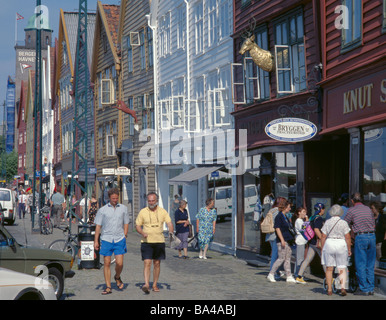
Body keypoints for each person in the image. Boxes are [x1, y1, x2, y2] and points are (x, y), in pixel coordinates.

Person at [94, 188, 130, 295]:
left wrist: (125, 234)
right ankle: (108, 286)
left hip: (119, 238)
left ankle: (117, 277)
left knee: (119, 263)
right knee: (107, 263)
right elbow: (98, 226)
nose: (115, 200)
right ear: (109, 198)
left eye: (116, 198)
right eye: (113, 198)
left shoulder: (123, 208)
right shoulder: (102, 210)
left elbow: (126, 222)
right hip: (106, 239)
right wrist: (96, 240)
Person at [136, 192, 174, 294]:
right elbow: (138, 225)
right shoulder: (143, 212)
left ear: (156, 201)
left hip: (159, 241)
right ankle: (146, 284)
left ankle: (155, 284)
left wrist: (171, 231)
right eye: (149, 201)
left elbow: (169, 223)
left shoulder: (163, 211)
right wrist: (142, 232)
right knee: (147, 262)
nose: (151, 202)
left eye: (153, 200)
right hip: (146, 242)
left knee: (157, 263)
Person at [344, 193, 376, 296]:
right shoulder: (368, 209)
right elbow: (373, 222)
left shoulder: (351, 210)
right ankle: (371, 288)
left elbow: (345, 224)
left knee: (361, 263)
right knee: (370, 264)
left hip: (361, 237)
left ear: (352, 201)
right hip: (372, 236)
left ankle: (364, 289)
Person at [320, 204, 351, 296]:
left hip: (329, 243)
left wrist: (322, 248)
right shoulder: (344, 223)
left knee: (329, 268)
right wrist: (349, 248)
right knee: (342, 267)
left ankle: (329, 289)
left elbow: (323, 236)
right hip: (341, 244)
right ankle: (342, 287)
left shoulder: (327, 222)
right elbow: (348, 237)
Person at [267, 198, 296, 283]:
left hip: (288, 240)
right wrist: (282, 240)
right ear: (284, 207)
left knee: (287, 259)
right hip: (282, 240)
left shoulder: (285, 216)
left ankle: (289, 275)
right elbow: (277, 228)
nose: (290, 209)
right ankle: (271, 273)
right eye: (289, 207)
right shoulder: (279, 216)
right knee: (281, 258)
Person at [296, 203, 326, 284]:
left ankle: (299, 276)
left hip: (311, 242)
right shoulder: (319, 218)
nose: (324, 210)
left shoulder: (312, 217)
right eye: (323, 209)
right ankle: (329, 277)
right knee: (324, 260)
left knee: (307, 259)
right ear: (321, 209)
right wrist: (322, 239)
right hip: (317, 242)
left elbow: (304, 228)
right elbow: (316, 230)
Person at [265, 197, 284, 279]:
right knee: (275, 255)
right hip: (275, 235)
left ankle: (276, 271)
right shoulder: (277, 212)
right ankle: (272, 273)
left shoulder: (271, 210)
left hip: (269, 234)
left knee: (275, 254)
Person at [293, 207, 308, 278]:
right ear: (299, 212)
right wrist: (307, 221)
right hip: (300, 241)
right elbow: (303, 230)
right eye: (303, 212)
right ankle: (297, 274)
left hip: (303, 241)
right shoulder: (298, 221)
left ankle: (298, 273)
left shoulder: (301, 220)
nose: (305, 214)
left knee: (301, 258)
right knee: (300, 258)